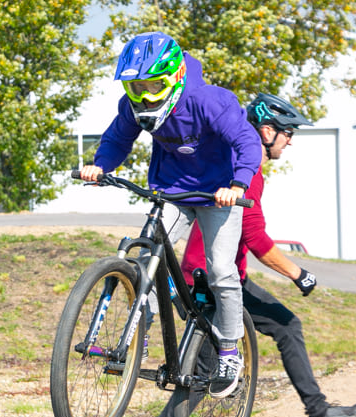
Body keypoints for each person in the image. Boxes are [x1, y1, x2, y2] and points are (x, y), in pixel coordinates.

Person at [146, 93, 356, 417]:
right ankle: (321, 415)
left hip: (199, 277)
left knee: (211, 363)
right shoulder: (245, 173)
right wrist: (299, 274)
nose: (290, 140)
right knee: (279, 330)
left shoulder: (230, 162)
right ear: (267, 131)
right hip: (214, 281)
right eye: (288, 132)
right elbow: (254, 238)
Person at [79, 31, 263, 397]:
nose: (144, 96)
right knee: (146, 260)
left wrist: (238, 185)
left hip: (219, 196)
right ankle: (136, 333)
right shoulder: (133, 107)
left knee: (221, 269)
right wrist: (100, 166)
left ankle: (229, 349)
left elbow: (247, 141)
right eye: (136, 87)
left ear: (176, 76)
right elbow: (118, 138)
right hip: (173, 193)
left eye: (153, 85)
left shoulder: (209, 101)